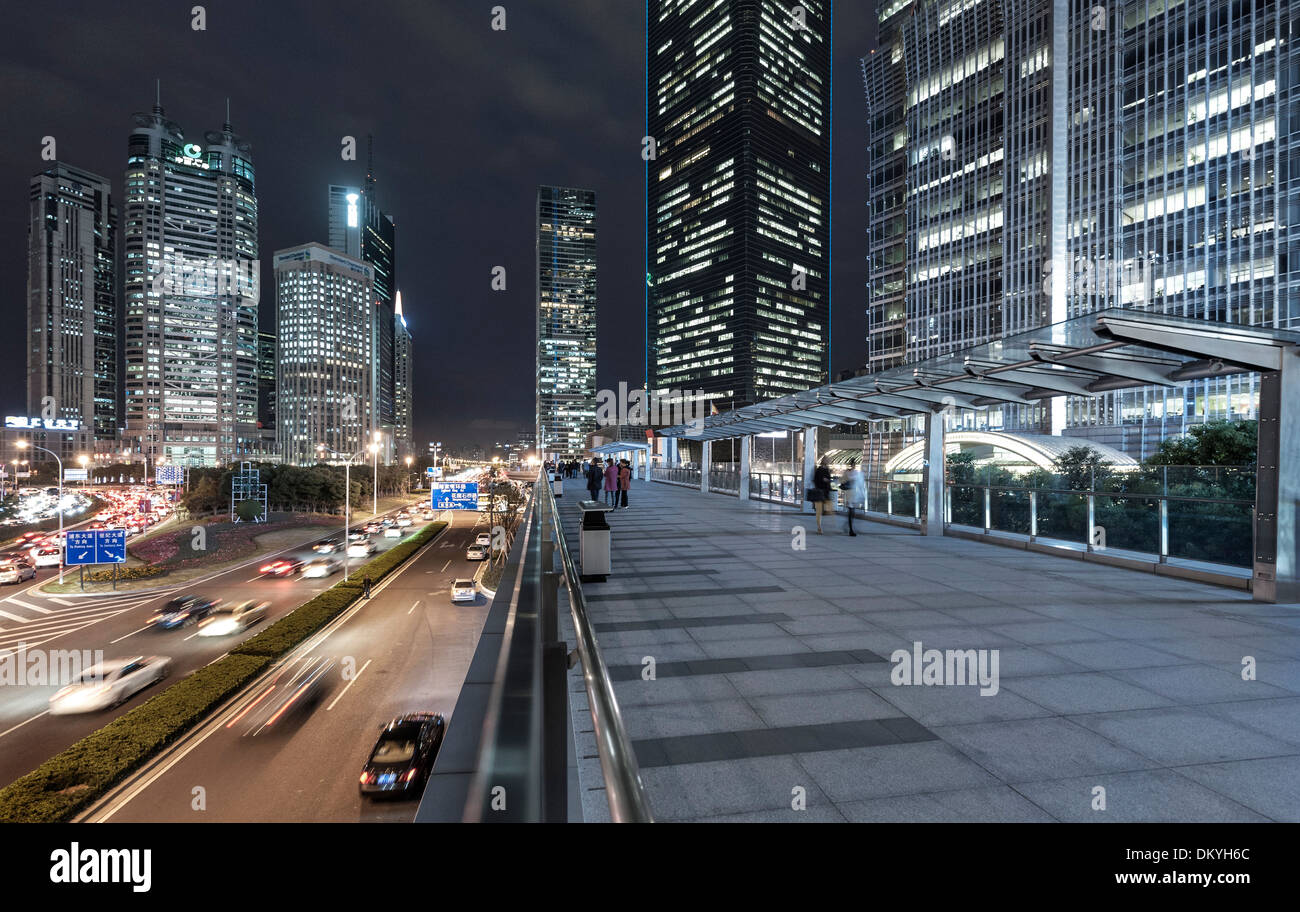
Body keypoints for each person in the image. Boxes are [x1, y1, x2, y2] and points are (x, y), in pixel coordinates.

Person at [839, 463, 865, 536]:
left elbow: (859, 484)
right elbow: (841, 481)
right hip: (850, 494)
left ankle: (848, 527)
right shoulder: (850, 473)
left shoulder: (854, 473)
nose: (853, 466)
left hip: (853, 493)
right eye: (853, 465)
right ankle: (850, 530)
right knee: (851, 511)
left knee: (852, 512)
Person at [811, 456, 833, 534]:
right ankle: (819, 528)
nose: (829, 462)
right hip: (820, 492)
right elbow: (819, 480)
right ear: (825, 461)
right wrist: (826, 480)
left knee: (826, 510)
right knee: (819, 511)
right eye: (828, 460)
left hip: (825, 492)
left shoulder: (827, 469)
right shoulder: (819, 470)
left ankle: (820, 527)